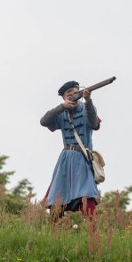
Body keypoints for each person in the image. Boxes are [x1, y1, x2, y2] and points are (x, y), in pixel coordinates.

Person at [40, 80, 101, 218]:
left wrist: (88, 100)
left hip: (83, 159)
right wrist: (61, 107)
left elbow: (94, 123)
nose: (73, 94)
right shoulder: (62, 112)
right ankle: (55, 236)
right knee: (57, 200)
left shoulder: (87, 108)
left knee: (87, 198)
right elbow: (44, 121)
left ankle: (95, 235)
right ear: (64, 97)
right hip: (65, 160)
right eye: (69, 93)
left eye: (75, 91)